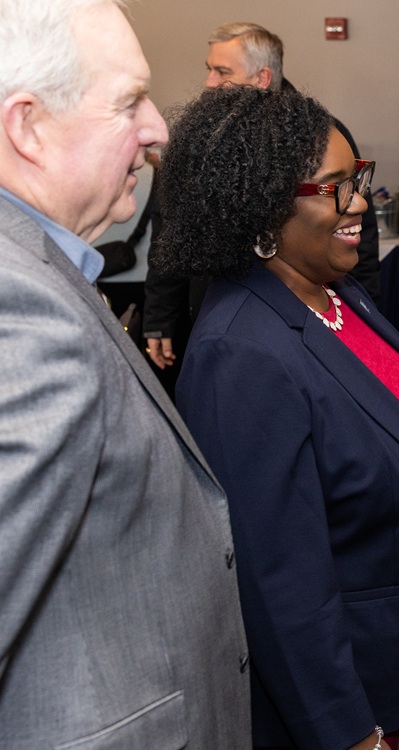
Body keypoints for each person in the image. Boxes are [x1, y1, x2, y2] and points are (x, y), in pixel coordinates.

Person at [154, 84, 399, 750]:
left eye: (357, 179)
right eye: (333, 186)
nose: (359, 202)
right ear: (261, 208)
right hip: (338, 701)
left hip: (385, 649)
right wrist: (349, 735)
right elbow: (275, 581)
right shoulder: (240, 353)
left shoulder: (337, 297)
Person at [0, 0, 250, 747]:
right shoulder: (21, 314)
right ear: (28, 127)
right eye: (128, 101)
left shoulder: (43, 267)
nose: (159, 127)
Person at [143, 21, 381, 377]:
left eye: (222, 71)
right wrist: (160, 317)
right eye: (208, 69)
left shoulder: (320, 139)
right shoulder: (205, 145)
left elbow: (357, 229)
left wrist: (366, 316)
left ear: (262, 78)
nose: (209, 81)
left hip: (308, 320)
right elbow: (172, 229)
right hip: (224, 317)